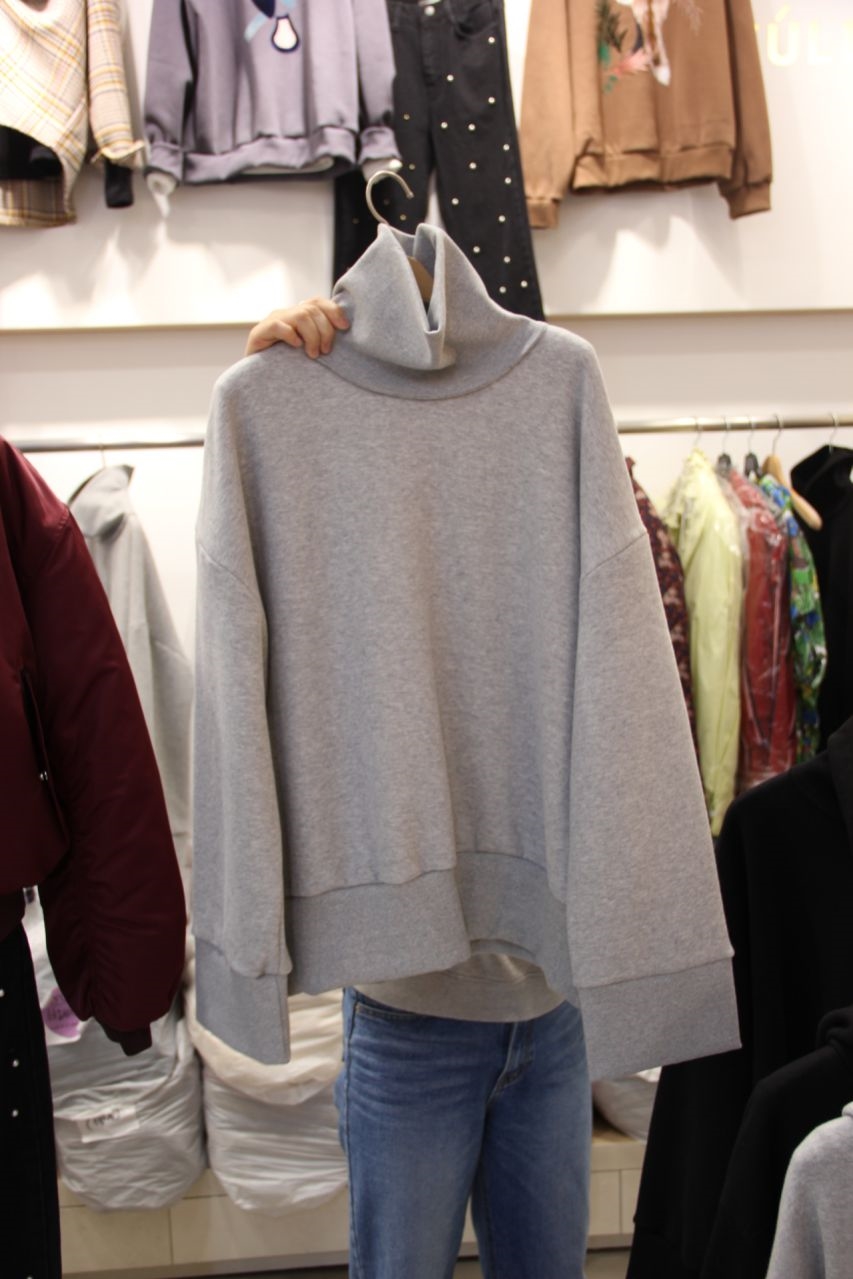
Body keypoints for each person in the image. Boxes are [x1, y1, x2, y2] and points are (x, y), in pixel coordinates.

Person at [241, 299, 592, 1279]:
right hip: (408, 1014)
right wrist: (284, 387)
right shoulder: (299, 411)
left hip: (552, 998)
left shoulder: (558, 387)